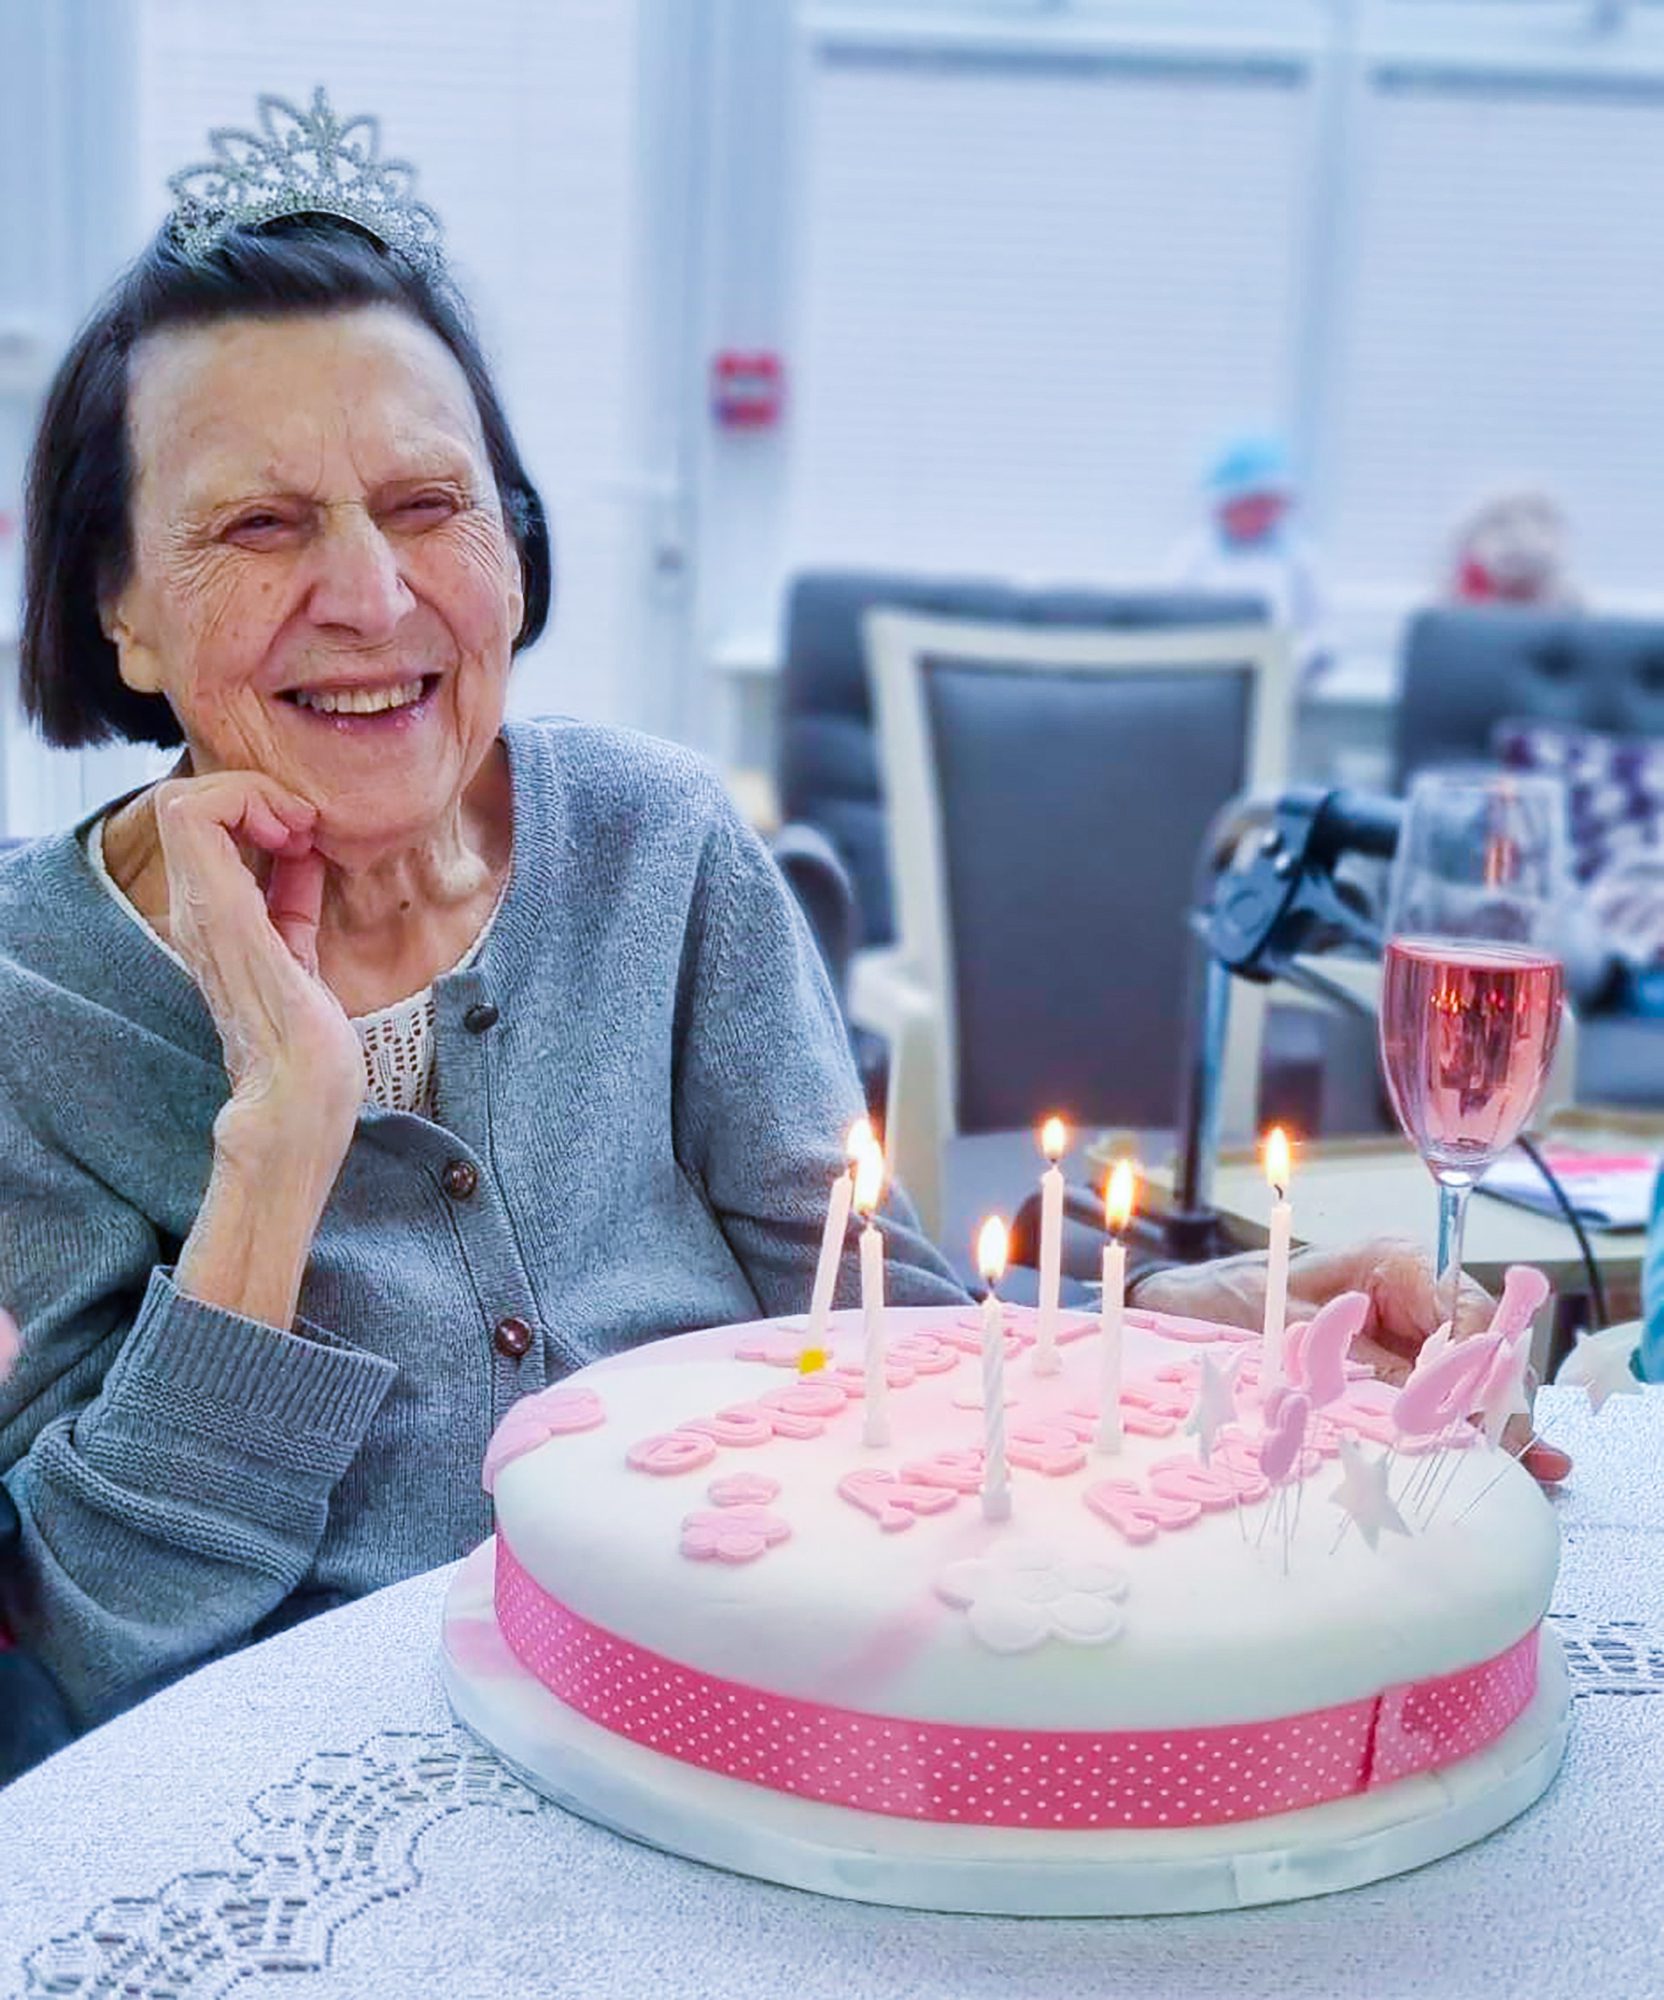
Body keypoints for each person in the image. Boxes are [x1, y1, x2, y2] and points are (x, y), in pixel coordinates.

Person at [0, 92, 1559, 1747]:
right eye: (259, 523)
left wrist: (1227, 1342)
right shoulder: (34, 995)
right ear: (122, 611)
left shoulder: (656, 847)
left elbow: (873, 1330)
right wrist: (280, 1148)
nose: (376, 597)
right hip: (303, 1784)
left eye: (428, 503)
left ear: (515, 550)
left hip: (730, 1735)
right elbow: (100, 1632)